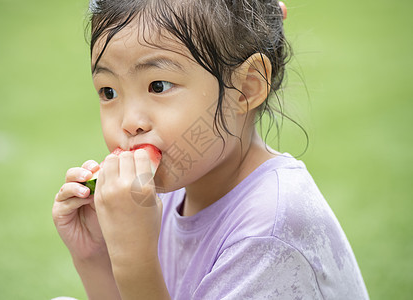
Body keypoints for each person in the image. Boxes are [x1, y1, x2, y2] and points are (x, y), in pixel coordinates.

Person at [52, 0, 369, 299]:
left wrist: (134, 258)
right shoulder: (173, 191)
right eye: (109, 91)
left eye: (158, 86)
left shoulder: (268, 230)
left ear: (245, 88)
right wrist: (93, 254)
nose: (129, 122)